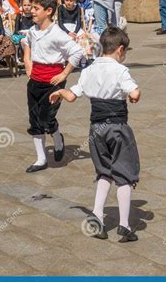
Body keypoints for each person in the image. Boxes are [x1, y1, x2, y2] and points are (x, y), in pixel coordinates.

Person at [49, 27, 140, 241]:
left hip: (96, 129)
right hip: (117, 128)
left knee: (104, 172)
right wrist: (135, 96)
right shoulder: (120, 70)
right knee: (124, 174)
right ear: (120, 50)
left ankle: (97, 217)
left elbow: (71, 96)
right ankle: (124, 226)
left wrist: (60, 92)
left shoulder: (88, 70)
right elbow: (134, 92)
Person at [23, 0, 83, 173]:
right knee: (34, 120)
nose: (32, 11)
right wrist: (27, 61)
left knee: (46, 117)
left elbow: (77, 52)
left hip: (53, 81)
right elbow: (26, 42)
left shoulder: (57, 33)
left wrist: (64, 74)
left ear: (48, 11)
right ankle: (41, 159)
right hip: (35, 80)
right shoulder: (33, 31)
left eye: (36, 8)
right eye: (31, 7)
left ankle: (57, 138)